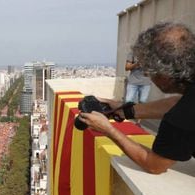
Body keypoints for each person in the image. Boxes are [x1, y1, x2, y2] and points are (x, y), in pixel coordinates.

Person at [78, 22, 195, 174]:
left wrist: (108, 130)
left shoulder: (184, 115)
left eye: (150, 71)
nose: (147, 75)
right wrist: (124, 110)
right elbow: (176, 103)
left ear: (165, 75)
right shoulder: (187, 101)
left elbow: (155, 164)